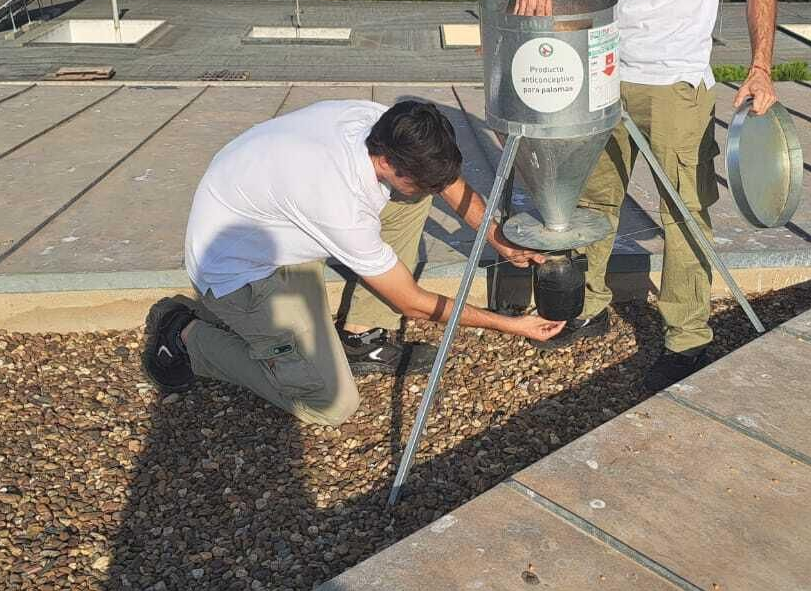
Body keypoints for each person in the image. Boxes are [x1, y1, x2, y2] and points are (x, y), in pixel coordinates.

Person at [513, 0, 779, 387]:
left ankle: (687, 339)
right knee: (592, 196)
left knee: (683, 209)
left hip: (676, 77)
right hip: (603, 67)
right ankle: (590, 308)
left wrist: (761, 68)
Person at [141, 98, 563, 426]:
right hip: (239, 275)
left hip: (267, 225)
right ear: (387, 162)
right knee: (331, 403)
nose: (433, 186)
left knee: (413, 198)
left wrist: (496, 237)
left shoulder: (381, 123)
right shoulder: (339, 204)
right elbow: (412, 303)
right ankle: (186, 335)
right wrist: (511, 325)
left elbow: (442, 178)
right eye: (421, 179)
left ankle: (361, 334)